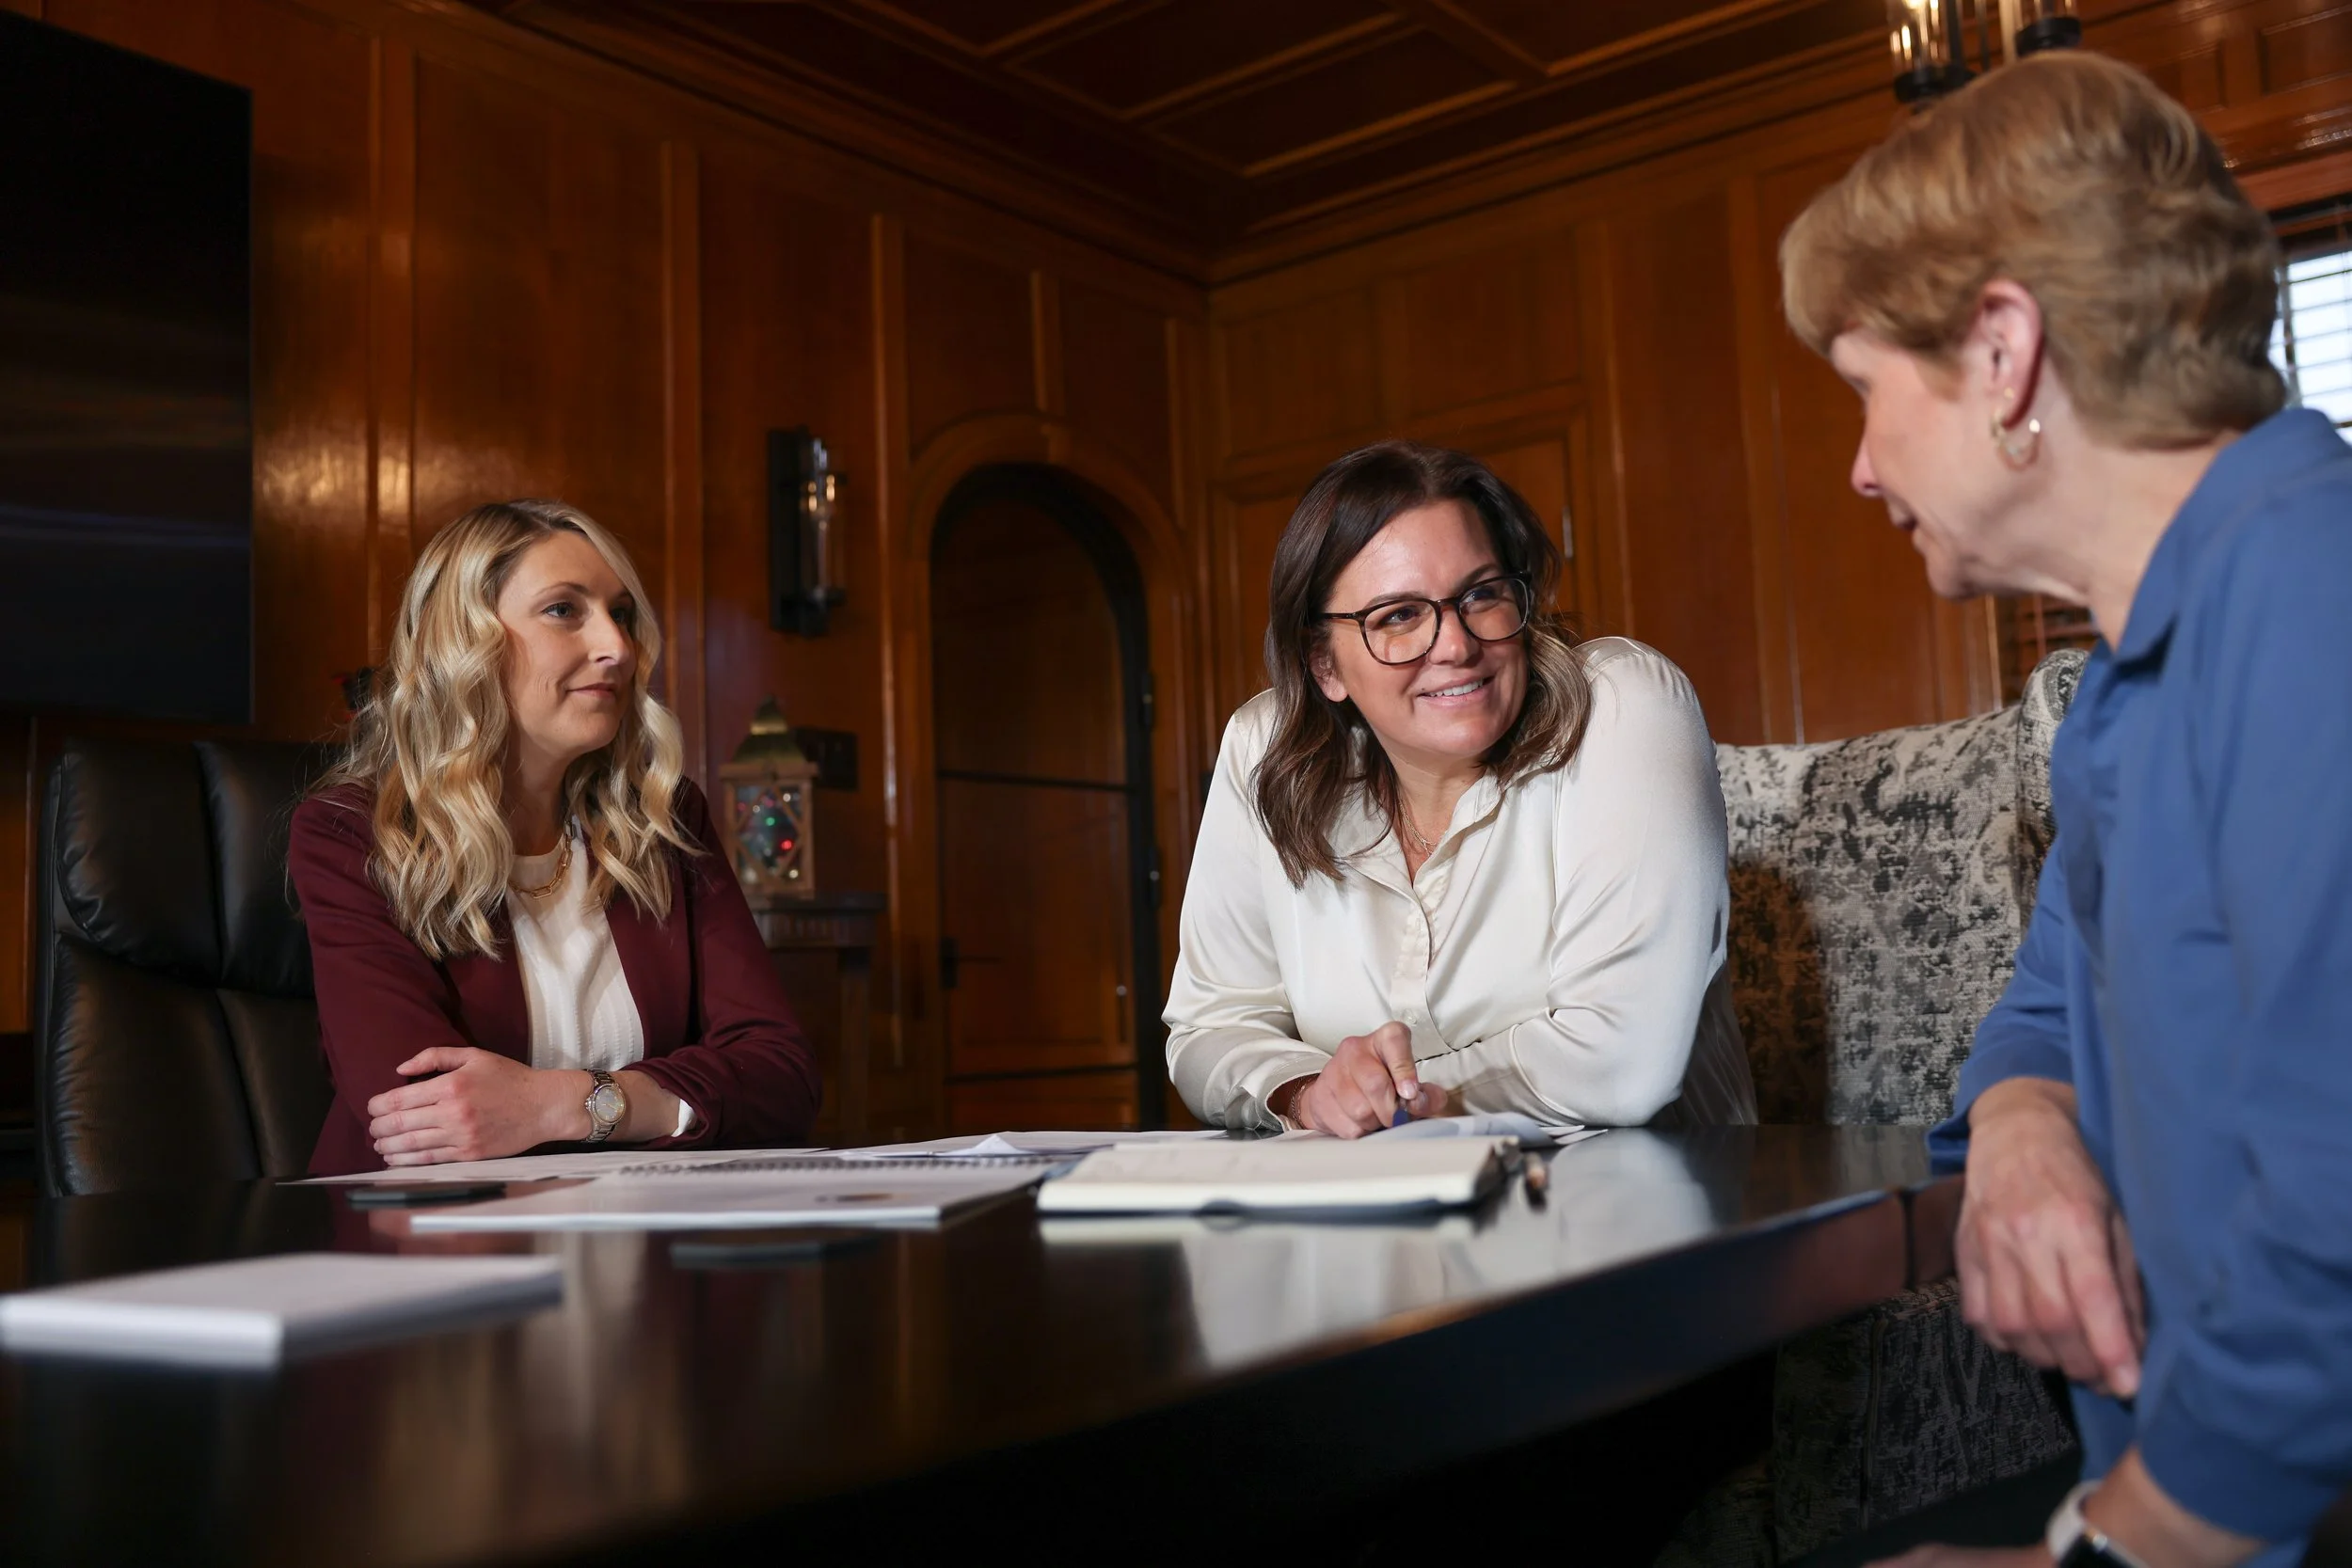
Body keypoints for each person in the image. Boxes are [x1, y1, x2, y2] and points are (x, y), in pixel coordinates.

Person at [1782, 50, 2352, 1567]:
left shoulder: (2311, 600)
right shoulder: (2127, 669)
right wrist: (2028, 1127)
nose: (1856, 464)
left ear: (2002, 352)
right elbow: (2042, 1003)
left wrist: (2107, 1551)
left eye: (1863, 389)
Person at [1165, 441, 1756, 1136]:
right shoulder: (1265, 750)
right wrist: (1301, 1092)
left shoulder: (1622, 703)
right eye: (1398, 616)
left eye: (1480, 594)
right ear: (1324, 664)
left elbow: (1622, 1061)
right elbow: (1210, 1024)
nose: (1456, 645)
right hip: (1383, 1221)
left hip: (1647, 1206)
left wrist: (1378, 1099)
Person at [291, 499, 821, 1175]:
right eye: (564, 610)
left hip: (646, 1239)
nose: (617, 647)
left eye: (621, 613)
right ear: (465, 641)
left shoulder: (663, 820)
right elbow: (423, 1120)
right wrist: (664, 1102)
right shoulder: (353, 834)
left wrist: (571, 1103)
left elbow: (783, 1075)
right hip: (431, 1248)